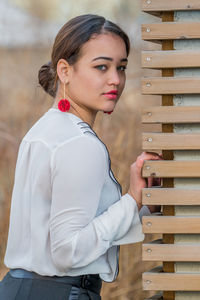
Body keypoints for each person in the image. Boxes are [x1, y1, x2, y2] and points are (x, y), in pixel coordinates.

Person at [0, 14, 161, 300]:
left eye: (121, 67)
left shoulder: (43, 131)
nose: (116, 80)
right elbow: (67, 252)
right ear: (64, 71)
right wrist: (133, 199)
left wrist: (141, 201)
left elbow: (84, 227)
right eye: (101, 67)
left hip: (18, 289)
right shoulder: (79, 143)